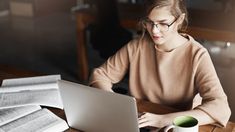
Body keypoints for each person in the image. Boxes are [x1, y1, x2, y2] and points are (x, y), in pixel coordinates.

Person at [89, 0, 231, 129]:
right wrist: (115, 102)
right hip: (138, 121)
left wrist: (164, 120)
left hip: (175, 125)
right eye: (149, 22)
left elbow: (220, 108)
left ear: (179, 20)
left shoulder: (198, 54)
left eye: (163, 23)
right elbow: (100, 75)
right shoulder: (136, 46)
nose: (154, 30)